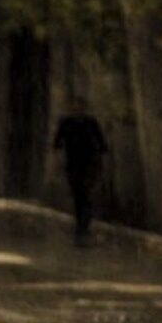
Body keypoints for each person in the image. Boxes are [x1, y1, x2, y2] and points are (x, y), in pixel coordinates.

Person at [53, 102, 108, 245]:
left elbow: (101, 144)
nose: (78, 111)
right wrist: (59, 162)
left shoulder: (91, 122)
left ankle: (83, 225)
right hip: (73, 164)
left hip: (89, 163)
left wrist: (101, 163)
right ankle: (80, 224)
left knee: (86, 193)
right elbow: (57, 144)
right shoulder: (66, 123)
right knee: (78, 194)